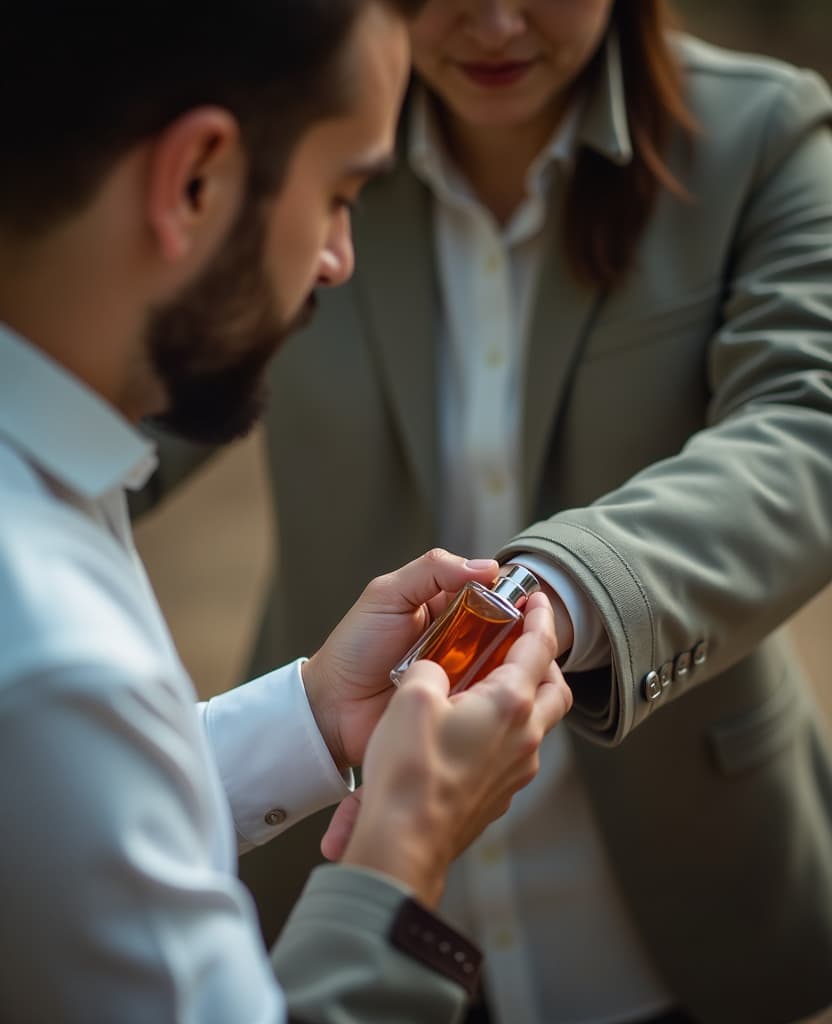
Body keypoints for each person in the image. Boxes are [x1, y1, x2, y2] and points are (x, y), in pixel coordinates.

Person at [136, 1, 832, 1022]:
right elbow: (128, 391)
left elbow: (806, 425)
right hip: (339, 859)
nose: (495, 19)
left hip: (682, 880)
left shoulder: (762, 136)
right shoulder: (299, 141)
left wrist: (560, 589)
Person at [0, 3, 576, 1023]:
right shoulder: (55, 655)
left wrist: (312, 713)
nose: (337, 259)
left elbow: (56, 828)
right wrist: (406, 845)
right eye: (341, 192)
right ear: (197, 180)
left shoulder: (47, 484)